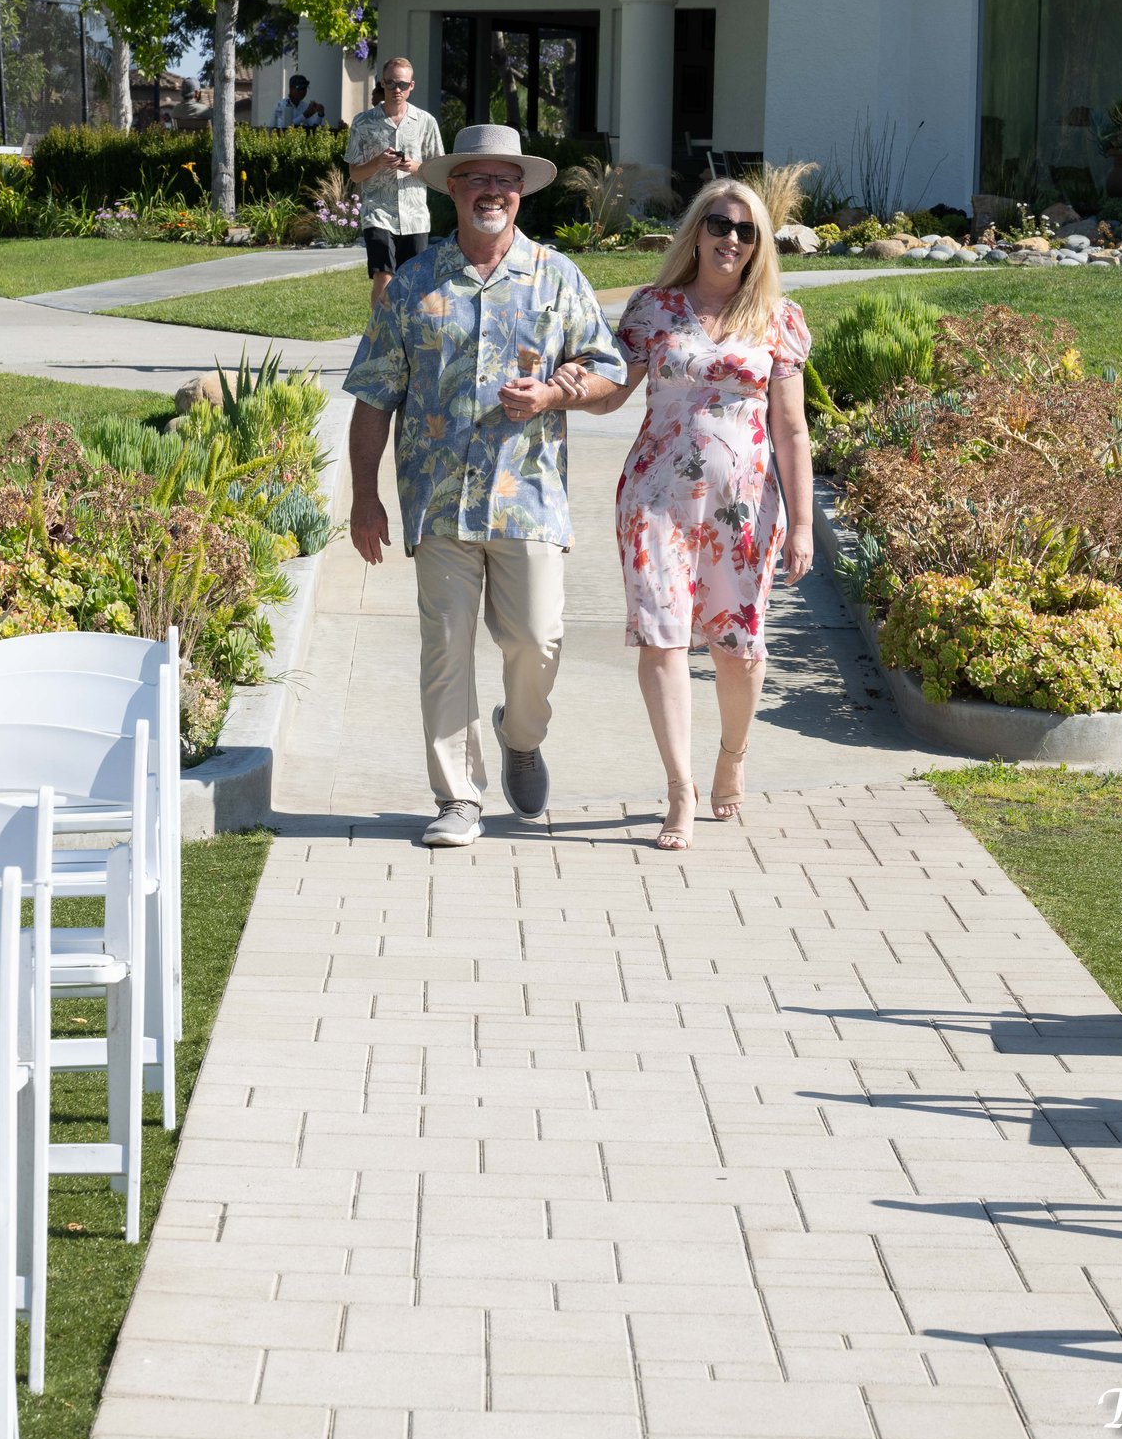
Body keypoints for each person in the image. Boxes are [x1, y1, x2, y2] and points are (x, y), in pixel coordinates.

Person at [343, 122, 625, 848]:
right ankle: (458, 797)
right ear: (453, 190)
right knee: (445, 648)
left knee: (537, 639)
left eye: (505, 179)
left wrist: (558, 395)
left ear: (520, 192)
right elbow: (374, 395)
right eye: (478, 179)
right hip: (438, 502)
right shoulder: (410, 285)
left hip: (527, 498)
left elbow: (610, 372)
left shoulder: (558, 278)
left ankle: (520, 734)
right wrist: (365, 496)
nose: (492, 191)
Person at [555, 179, 815, 850]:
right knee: (663, 638)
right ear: (696, 231)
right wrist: (563, 389)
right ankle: (679, 790)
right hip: (656, 501)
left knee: (738, 650)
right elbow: (614, 390)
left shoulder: (777, 320)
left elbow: (791, 432)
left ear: (758, 246)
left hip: (744, 512)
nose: (731, 238)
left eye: (746, 230)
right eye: (720, 224)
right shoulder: (653, 309)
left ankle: (732, 754)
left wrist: (804, 523)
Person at [346, 55, 446, 312]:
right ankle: (379, 333)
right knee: (383, 274)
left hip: (415, 215)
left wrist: (414, 167)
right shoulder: (363, 122)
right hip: (378, 212)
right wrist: (378, 162)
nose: (396, 90)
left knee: (413, 279)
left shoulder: (426, 122)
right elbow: (355, 174)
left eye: (402, 84)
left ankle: (410, 332)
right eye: (390, 84)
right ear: (382, 83)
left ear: (412, 86)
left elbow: (439, 172)